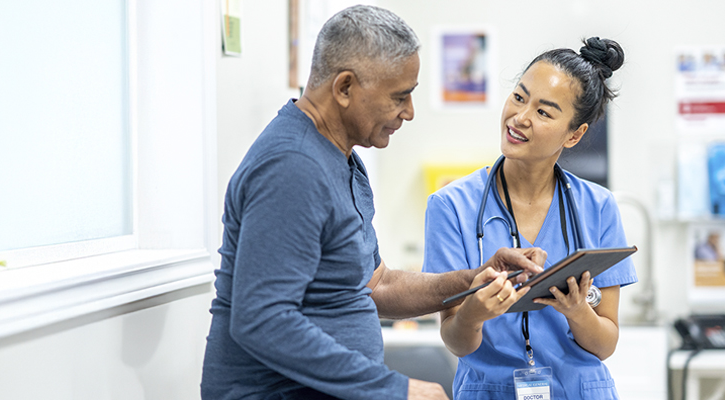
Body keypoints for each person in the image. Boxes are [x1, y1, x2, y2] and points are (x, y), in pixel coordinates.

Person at [200, 6, 546, 400]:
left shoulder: (341, 158)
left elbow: (377, 285)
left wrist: (472, 281)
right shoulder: (292, 168)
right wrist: (394, 389)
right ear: (344, 88)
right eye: (400, 97)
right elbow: (260, 319)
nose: (410, 113)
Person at [422, 37, 638, 399]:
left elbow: (605, 343)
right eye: (519, 97)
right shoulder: (451, 206)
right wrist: (474, 314)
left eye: (544, 112)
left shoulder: (599, 207)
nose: (520, 118)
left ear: (574, 134)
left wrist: (577, 310)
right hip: (490, 391)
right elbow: (455, 341)